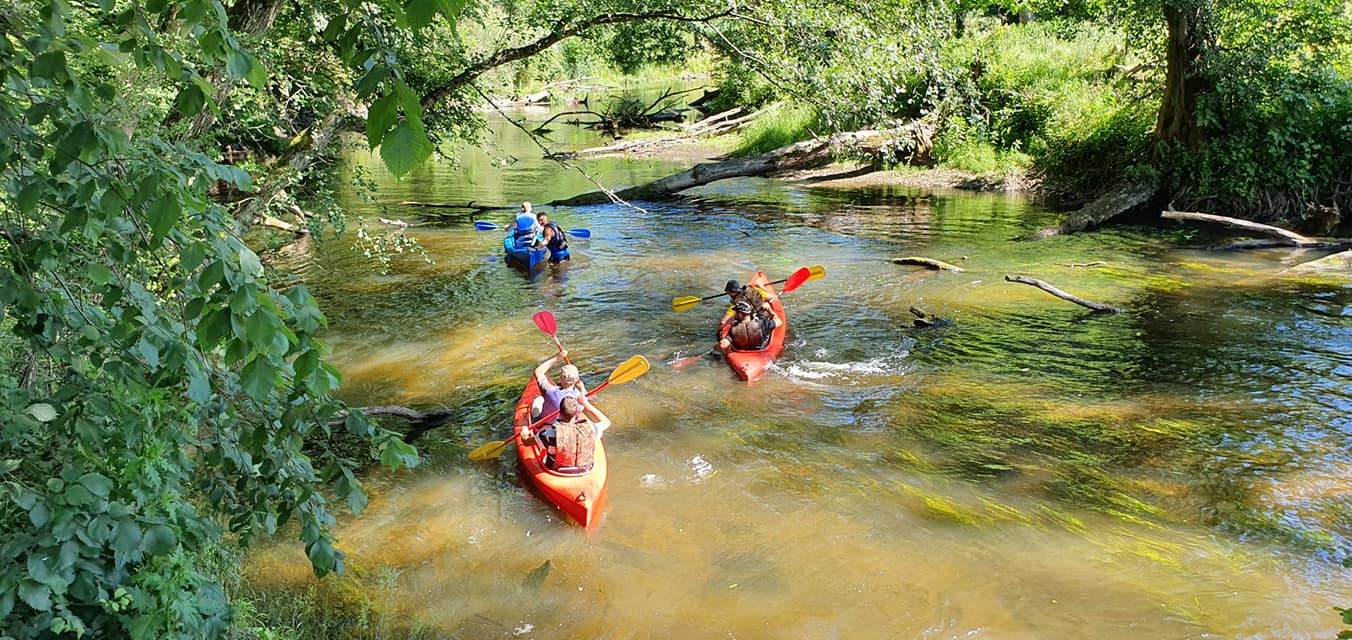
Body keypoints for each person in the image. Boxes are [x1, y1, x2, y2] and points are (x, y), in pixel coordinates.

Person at [523, 396, 611, 472]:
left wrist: (524, 432)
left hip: (557, 470)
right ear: (577, 413)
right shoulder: (592, 429)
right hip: (585, 469)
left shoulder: (548, 434)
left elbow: (526, 442)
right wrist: (586, 404)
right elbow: (606, 422)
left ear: (560, 413)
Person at [529, 350, 588, 421]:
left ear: (560, 378)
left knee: (538, 400)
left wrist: (557, 357)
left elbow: (538, 372)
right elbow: (586, 400)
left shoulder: (550, 391)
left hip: (547, 425)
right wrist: (582, 388)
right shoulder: (580, 398)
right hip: (567, 425)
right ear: (577, 379)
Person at [719, 299, 783, 351]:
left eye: (736, 312)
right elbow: (779, 321)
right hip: (760, 353)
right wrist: (769, 310)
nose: (735, 314)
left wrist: (715, 348)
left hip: (742, 355)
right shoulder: (763, 323)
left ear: (740, 314)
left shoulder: (734, 329)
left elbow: (723, 344)